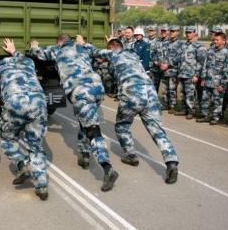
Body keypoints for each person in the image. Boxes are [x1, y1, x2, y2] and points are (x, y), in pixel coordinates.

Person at [75, 35, 179, 184]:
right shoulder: (133, 54)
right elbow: (120, 48)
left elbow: (95, 51)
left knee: (122, 126)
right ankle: (171, 162)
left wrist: (83, 43)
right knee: (157, 131)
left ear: (111, 48)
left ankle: (131, 155)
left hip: (132, 94)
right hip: (150, 94)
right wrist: (113, 41)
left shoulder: (113, 53)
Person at [30, 34, 119, 192]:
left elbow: (39, 54)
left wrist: (34, 45)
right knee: (85, 120)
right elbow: (100, 52)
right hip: (97, 88)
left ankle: (107, 167)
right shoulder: (83, 47)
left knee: (92, 129)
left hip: (81, 92)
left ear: (59, 42)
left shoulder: (56, 50)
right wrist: (84, 43)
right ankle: (84, 153)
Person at [0, 38, 49, 200]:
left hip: (16, 103)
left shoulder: (0, 66)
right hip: (38, 103)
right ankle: (41, 186)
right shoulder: (29, 63)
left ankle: (21, 164)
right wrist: (14, 50)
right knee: (35, 147)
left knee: (7, 140)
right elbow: (20, 57)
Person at [197, 32, 228, 125]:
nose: (215, 41)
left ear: (223, 41)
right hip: (208, 80)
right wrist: (203, 79)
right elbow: (205, 65)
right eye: (214, 39)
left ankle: (215, 117)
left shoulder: (227, 53)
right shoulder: (210, 50)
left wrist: (223, 84)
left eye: (217, 40)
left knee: (217, 101)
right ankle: (206, 115)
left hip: (218, 83)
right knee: (205, 99)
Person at [175, 26, 206, 119]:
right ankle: (185, 109)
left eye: (190, 32)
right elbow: (180, 59)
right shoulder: (184, 45)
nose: (188, 34)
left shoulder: (199, 46)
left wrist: (197, 75)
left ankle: (191, 111)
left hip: (191, 74)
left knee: (190, 94)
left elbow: (201, 62)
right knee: (183, 93)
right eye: (187, 32)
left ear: (195, 34)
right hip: (182, 73)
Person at [160, 25, 183, 113]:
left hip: (173, 70)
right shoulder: (166, 42)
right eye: (171, 31)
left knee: (172, 89)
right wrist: (161, 63)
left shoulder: (181, 43)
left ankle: (172, 106)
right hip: (164, 70)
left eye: (174, 31)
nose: (171, 33)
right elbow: (162, 54)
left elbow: (180, 57)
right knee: (164, 89)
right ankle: (165, 104)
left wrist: (168, 64)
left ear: (178, 32)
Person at [150, 24, 170, 92]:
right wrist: (156, 62)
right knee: (154, 88)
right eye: (162, 31)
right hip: (156, 69)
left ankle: (166, 102)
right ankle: (154, 102)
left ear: (168, 31)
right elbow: (152, 53)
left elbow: (174, 55)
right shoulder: (156, 41)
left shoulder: (171, 42)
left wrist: (167, 64)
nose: (163, 32)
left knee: (166, 90)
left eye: (165, 31)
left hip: (167, 70)